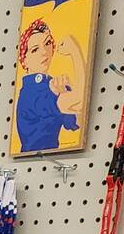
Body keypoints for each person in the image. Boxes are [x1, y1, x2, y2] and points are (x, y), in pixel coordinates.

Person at [12, 19, 85, 154]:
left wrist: (65, 94)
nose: (44, 51)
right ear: (24, 60)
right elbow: (80, 100)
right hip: (35, 162)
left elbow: (79, 120)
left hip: (53, 160)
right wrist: (75, 52)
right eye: (35, 50)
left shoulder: (52, 84)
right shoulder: (31, 93)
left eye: (47, 43)